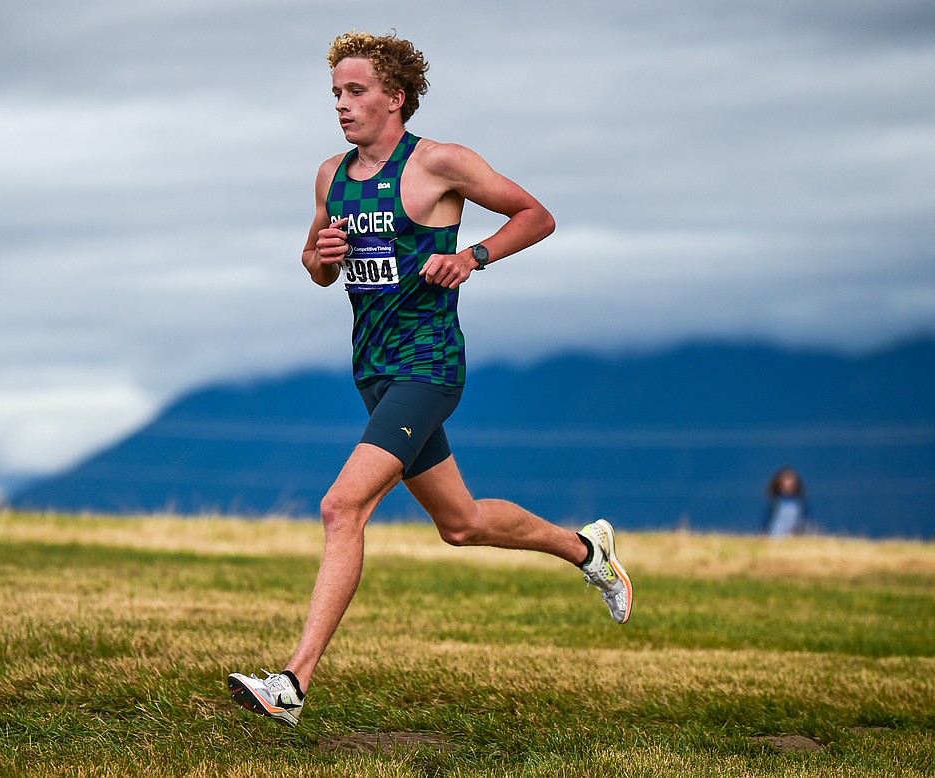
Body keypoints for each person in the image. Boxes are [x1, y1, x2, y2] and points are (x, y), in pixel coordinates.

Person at [227, 31, 633, 726]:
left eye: (356, 92)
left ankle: (292, 685)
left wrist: (473, 255)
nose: (342, 106)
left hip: (429, 366)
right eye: (336, 94)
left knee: (340, 508)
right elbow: (318, 264)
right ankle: (587, 549)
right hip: (374, 370)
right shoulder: (330, 175)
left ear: (397, 98)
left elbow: (536, 216)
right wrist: (319, 256)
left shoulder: (442, 163)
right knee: (461, 524)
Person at [764, 466, 809, 538]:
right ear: (779, 485)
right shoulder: (774, 503)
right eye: (784, 486)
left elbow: (803, 522)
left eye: (791, 486)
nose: (787, 489)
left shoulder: (800, 504)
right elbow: (767, 523)